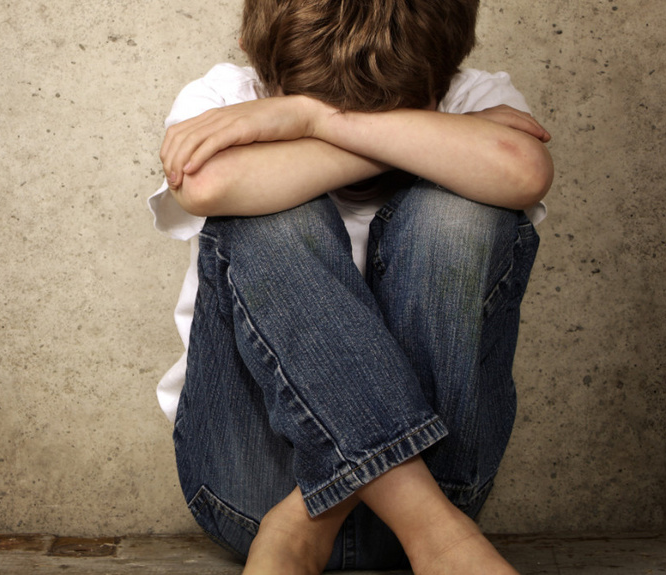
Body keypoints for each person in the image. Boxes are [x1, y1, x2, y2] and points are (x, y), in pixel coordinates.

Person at [148, 0, 554, 573]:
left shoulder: (471, 94)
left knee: (464, 213)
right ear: (255, 57)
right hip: (249, 492)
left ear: (449, 69)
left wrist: (311, 122)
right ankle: (434, 535)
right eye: (308, 102)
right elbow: (209, 184)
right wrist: (427, 139)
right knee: (269, 215)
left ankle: (314, 515)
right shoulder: (228, 98)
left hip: (445, 483)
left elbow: (522, 170)